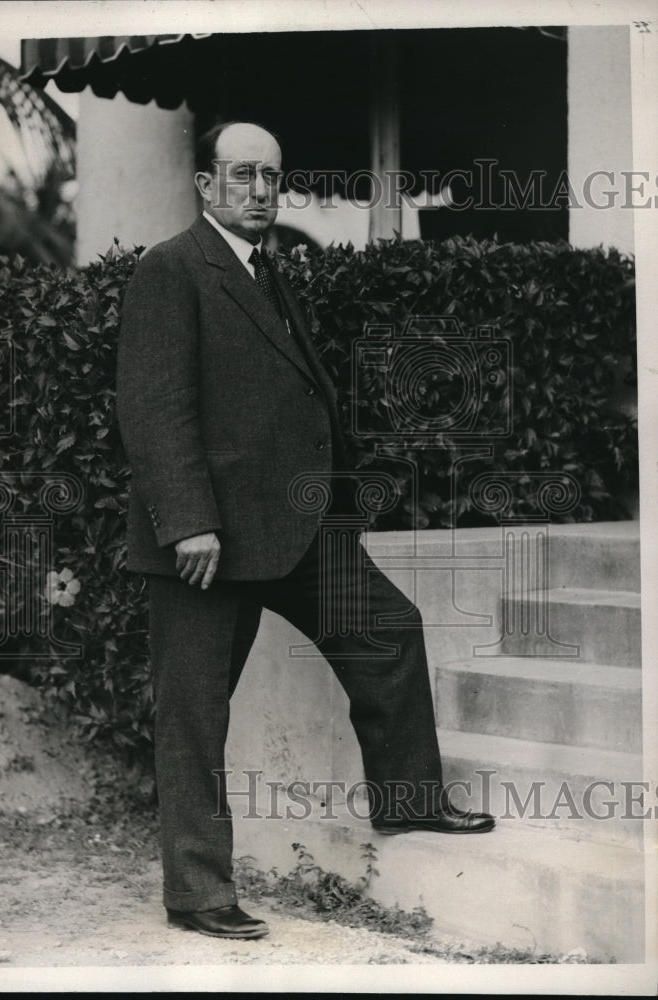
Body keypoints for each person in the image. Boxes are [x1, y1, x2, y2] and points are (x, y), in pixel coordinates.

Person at [116, 121, 495, 942]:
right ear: (206, 185)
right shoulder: (170, 269)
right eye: (244, 175)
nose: (261, 190)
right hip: (205, 546)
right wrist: (187, 524)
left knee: (389, 630)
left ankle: (409, 802)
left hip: (294, 531)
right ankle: (198, 893)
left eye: (272, 176)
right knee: (195, 717)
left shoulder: (268, 269)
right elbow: (153, 409)